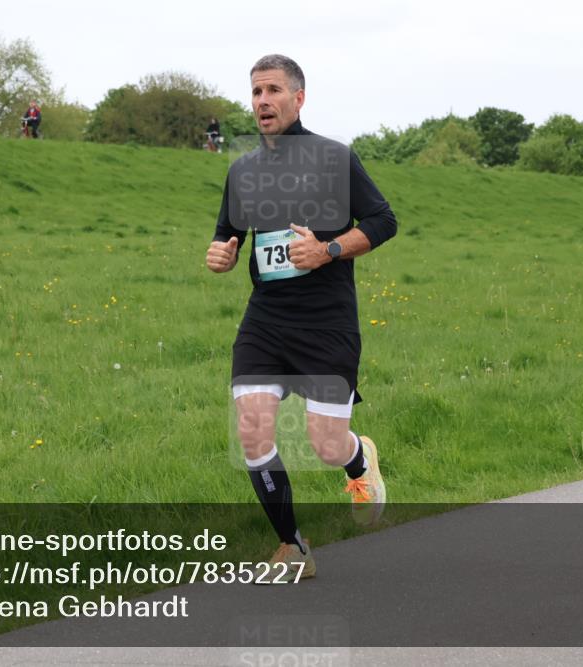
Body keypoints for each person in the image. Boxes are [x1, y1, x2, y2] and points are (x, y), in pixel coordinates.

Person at [205, 54, 397, 582]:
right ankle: (293, 546)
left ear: (298, 97)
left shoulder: (335, 159)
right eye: (255, 93)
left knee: (325, 444)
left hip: (327, 323)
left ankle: (358, 463)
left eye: (272, 90)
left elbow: (384, 221)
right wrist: (221, 254)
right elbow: (230, 235)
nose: (262, 101)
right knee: (252, 428)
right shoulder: (242, 169)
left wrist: (329, 250)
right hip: (266, 322)